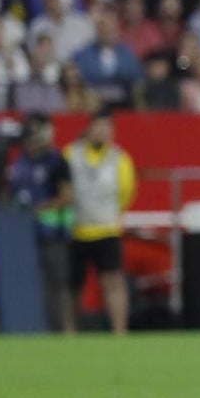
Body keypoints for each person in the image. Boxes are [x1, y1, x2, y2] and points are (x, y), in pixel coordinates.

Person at [64, 109, 136, 335]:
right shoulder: (70, 154)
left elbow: (127, 192)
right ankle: (68, 331)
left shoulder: (120, 158)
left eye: (107, 127)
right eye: (97, 126)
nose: (101, 131)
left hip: (107, 229)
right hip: (76, 229)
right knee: (73, 285)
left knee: (113, 281)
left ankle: (119, 331)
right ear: (88, 128)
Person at [8, 113, 74, 332]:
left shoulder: (57, 161)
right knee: (28, 283)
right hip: (22, 235)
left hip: (52, 232)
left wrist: (40, 208)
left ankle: (65, 330)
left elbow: (67, 196)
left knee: (58, 283)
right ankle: (32, 328)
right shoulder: (19, 161)